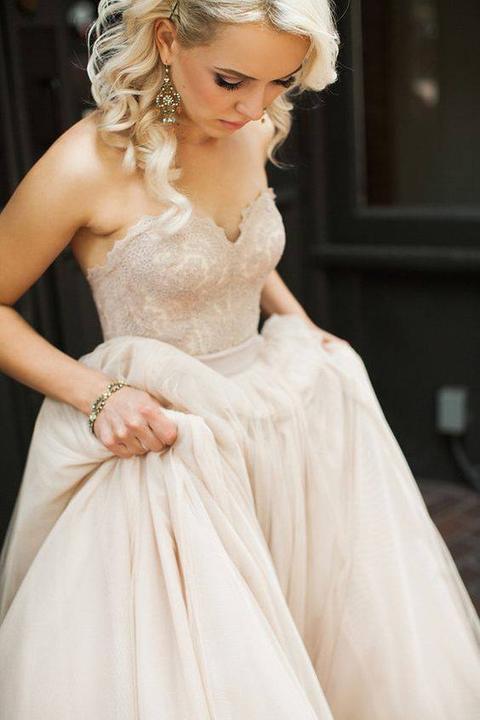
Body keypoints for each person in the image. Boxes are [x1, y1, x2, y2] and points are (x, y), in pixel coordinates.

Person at [0, 1, 479, 718]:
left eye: (280, 83)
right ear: (167, 39)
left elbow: (236, 255)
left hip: (274, 425)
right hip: (168, 449)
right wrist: (96, 395)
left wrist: (298, 321)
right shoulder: (87, 163)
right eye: (231, 80)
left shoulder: (250, 129)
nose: (255, 107)